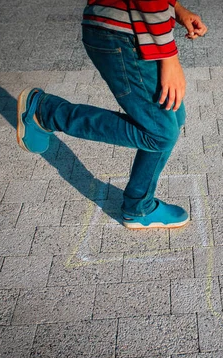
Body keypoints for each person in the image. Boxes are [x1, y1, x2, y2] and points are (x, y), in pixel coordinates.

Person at [16, 0, 207, 229]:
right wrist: (170, 59)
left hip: (127, 30)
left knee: (173, 117)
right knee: (161, 134)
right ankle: (45, 112)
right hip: (123, 36)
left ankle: (137, 205)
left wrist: (177, 10)